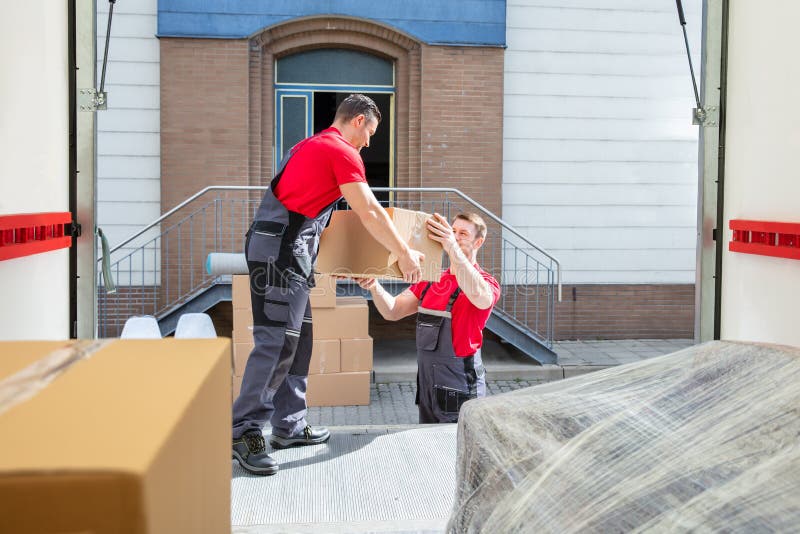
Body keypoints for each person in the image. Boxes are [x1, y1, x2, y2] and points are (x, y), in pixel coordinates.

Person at [232, 94, 425, 475]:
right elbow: (368, 209)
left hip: (291, 251)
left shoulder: (309, 147)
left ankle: (289, 425)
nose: (369, 142)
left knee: (299, 339)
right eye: (370, 132)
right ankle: (244, 429)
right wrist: (403, 251)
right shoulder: (339, 150)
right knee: (276, 341)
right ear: (356, 121)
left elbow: (320, 217)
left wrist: (349, 263)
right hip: (280, 253)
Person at [354, 212, 500, 423]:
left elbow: (480, 297)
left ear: (479, 242)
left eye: (463, 234)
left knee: (456, 446)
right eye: (453, 231)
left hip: (460, 384)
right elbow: (393, 310)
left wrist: (452, 248)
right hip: (428, 384)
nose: (455, 237)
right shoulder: (432, 278)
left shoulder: (486, 282)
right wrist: (374, 286)